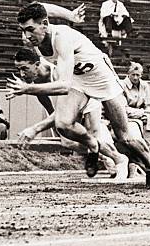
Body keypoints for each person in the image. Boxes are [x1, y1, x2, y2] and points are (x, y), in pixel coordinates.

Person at [6, 2, 150, 186]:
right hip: (79, 80)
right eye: (23, 30)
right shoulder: (38, 38)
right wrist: (70, 15)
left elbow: (63, 86)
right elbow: (42, 7)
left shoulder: (60, 38)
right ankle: (93, 145)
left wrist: (27, 89)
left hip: (101, 76)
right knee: (62, 124)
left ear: (45, 24)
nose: (26, 36)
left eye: (30, 29)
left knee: (124, 137)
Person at [13, 48, 127, 178]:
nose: (21, 74)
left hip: (86, 95)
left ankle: (118, 162)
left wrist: (35, 128)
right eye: (18, 70)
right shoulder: (35, 83)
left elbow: (64, 109)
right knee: (68, 142)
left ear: (37, 64)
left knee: (94, 135)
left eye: (24, 69)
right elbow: (56, 112)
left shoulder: (57, 73)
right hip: (68, 107)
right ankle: (107, 156)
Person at [121, 62, 150, 151]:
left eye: (138, 75)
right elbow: (123, 109)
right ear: (128, 74)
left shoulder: (144, 85)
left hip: (142, 115)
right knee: (145, 117)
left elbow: (148, 105)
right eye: (133, 74)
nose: (135, 77)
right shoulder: (122, 85)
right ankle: (138, 149)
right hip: (126, 116)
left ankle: (148, 147)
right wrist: (143, 112)